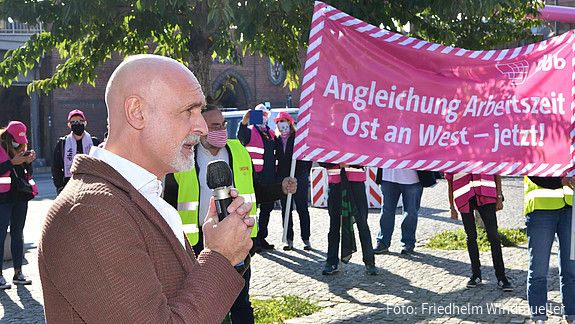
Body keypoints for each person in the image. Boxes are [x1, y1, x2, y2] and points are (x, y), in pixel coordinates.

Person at [39, 54, 256, 323]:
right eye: (188, 111)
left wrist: (218, 247)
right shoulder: (90, 213)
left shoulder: (137, 195)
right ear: (137, 112)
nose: (201, 127)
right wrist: (220, 257)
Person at [164, 105, 296, 323]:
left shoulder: (238, 151)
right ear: (201, 128)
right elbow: (169, 201)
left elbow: (256, 188)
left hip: (237, 240)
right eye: (215, 126)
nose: (222, 130)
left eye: (224, 125)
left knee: (241, 301)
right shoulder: (184, 155)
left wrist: (280, 188)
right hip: (196, 244)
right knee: (204, 304)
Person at [446, 173, 513, 291]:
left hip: (486, 196)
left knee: (494, 236)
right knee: (471, 237)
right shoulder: (454, 155)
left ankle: (501, 277)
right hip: (464, 197)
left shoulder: (486, 153)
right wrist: (452, 206)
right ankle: (475, 275)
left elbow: (496, 172)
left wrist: (499, 197)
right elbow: (450, 182)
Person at [524, 176, 575, 323]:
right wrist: (561, 181)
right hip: (541, 208)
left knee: (571, 268)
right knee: (538, 269)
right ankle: (539, 316)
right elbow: (532, 168)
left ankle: (572, 314)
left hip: (571, 208)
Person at [321, 163, 378, 276]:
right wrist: (337, 163)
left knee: (362, 223)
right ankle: (331, 262)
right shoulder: (331, 143)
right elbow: (322, 159)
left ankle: (370, 262)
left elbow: (366, 156)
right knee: (334, 225)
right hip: (336, 183)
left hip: (356, 184)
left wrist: (348, 163)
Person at [0, 121, 37, 289]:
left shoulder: (22, 146)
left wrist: (28, 161)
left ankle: (18, 272)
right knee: (0, 235)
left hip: (20, 196)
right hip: (3, 198)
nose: (20, 143)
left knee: (18, 233)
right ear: (9, 136)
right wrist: (11, 162)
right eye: (16, 139)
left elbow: (27, 174)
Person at [238, 104, 277, 251]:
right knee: (253, 210)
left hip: (269, 178)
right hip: (254, 178)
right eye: (259, 116)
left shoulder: (271, 134)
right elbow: (241, 138)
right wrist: (244, 121)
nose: (263, 119)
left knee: (267, 209)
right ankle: (253, 240)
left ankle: (262, 237)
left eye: (265, 116)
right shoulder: (249, 131)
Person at [274, 111, 312, 251]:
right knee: (286, 209)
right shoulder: (276, 140)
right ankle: (288, 239)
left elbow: (306, 158)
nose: (281, 125)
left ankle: (306, 239)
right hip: (283, 178)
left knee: (302, 208)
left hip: (298, 177)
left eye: (284, 121)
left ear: (290, 123)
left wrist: (301, 173)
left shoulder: (297, 138)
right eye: (279, 122)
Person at [374, 169, 435, 255]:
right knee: (386, 211)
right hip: (388, 177)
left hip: (412, 179)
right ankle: (383, 242)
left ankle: (408, 243)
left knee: (410, 212)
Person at [51, 109, 100, 193]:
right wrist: (60, 186)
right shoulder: (63, 143)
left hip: (90, 186)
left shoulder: (94, 142)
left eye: (80, 121)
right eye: (74, 122)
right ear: (69, 125)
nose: (77, 124)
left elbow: (100, 165)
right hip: (68, 187)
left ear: (85, 123)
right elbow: (56, 167)